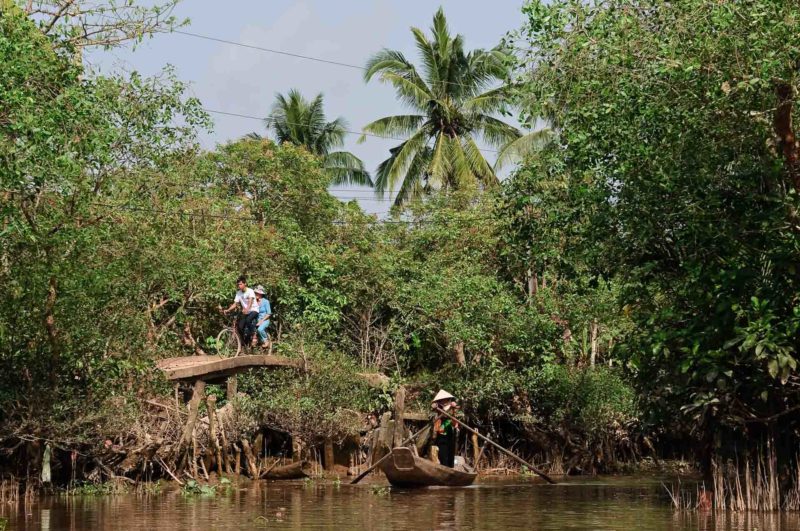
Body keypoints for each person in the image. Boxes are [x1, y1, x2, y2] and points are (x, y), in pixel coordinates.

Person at [223, 275, 259, 347]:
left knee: (248, 320)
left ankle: (254, 334)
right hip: (245, 312)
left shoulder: (250, 291)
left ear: (245, 283)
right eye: (238, 284)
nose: (239, 286)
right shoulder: (238, 293)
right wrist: (228, 310)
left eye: (240, 284)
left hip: (254, 310)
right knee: (240, 327)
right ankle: (243, 344)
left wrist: (247, 309)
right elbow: (235, 304)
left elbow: (250, 301)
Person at [431, 389, 459, 468]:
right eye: (443, 400)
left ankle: (451, 468)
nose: (444, 401)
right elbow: (433, 406)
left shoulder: (452, 406)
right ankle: (445, 468)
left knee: (450, 452)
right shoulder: (438, 406)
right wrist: (437, 406)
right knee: (443, 453)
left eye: (446, 400)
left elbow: (454, 419)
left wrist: (452, 406)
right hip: (441, 433)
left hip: (450, 432)